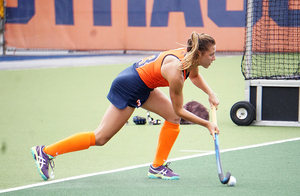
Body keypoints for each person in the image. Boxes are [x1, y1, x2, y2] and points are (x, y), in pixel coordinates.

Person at [31, 31, 220, 181]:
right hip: (130, 86)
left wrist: (210, 93)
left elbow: (194, 76)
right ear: (200, 53)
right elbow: (180, 108)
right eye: (211, 54)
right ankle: (46, 152)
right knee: (101, 137)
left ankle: (157, 167)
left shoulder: (190, 58)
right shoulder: (176, 72)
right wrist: (207, 124)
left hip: (144, 84)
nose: (214, 58)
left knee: (172, 117)